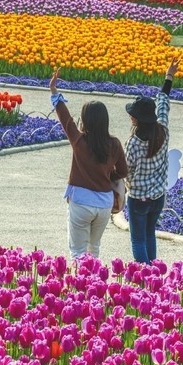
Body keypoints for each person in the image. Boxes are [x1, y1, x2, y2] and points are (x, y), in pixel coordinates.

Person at [49, 68, 128, 260]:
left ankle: (81, 279)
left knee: (78, 252)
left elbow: (66, 119)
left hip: (81, 201)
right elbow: (123, 171)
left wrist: (54, 91)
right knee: (94, 249)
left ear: (85, 120)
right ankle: (96, 278)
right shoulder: (114, 143)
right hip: (104, 204)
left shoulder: (79, 140)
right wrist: (107, 175)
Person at [123, 59, 179, 264]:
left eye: (133, 115)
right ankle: (154, 273)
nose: (130, 117)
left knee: (138, 240)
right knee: (149, 234)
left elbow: (127, 169)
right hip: (158, 196)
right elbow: (163, 101)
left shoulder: (134, 143)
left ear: (137, 119)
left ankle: (145, 276)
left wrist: (127, 183)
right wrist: (169, 76)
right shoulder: (162, 129)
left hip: (138, 198)